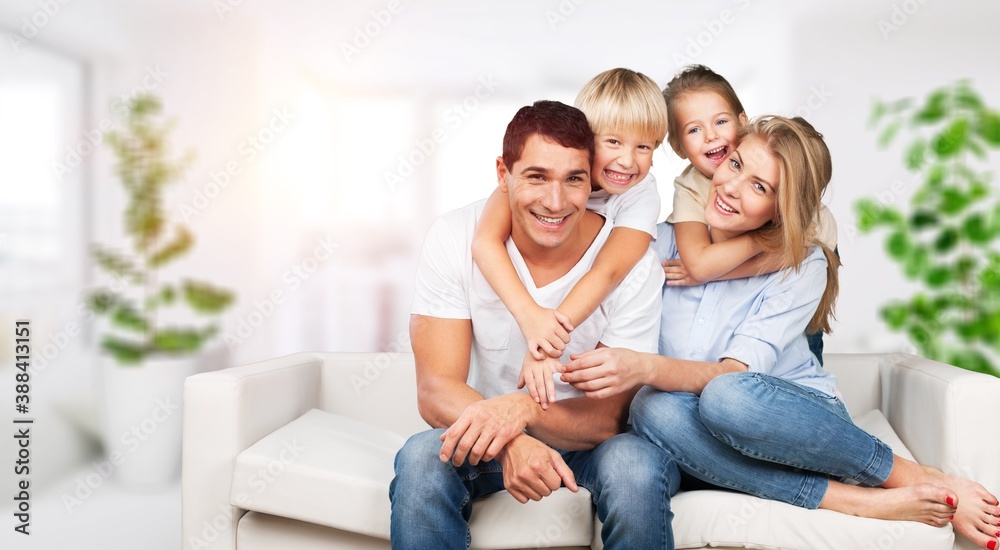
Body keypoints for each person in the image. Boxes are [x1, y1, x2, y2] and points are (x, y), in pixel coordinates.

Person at [560, 115, 1000, 550]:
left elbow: (731, 375)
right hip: (688, 435)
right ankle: (852, 502)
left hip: (789, 425)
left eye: (760, 187)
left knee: (726, 394)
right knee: (650, 410)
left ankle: (913, 476)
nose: (731, 188)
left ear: (782, 206)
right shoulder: (653, 243)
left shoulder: (801, 264)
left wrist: (645, 366)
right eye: (735, 165)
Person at [389, 100, 679, 549]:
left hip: (590, 444)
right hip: (488, 433)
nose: (555, 202)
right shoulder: (455, 235)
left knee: (635, 465)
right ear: (503, 174)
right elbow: (435, 389)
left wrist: (524, 410)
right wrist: (510, 441)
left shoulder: (632, 263)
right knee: (423, 458)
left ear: (593, 179)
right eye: (537, 177)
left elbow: (608, 418)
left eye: (574, 179)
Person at [471, 68, 669, 408]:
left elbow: (607, 271)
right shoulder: (537, 172)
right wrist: (530, 316)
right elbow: (484, 242)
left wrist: (546, 343)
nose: (627, 160)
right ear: (586, 139)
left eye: (644, 147)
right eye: (613, 142)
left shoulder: (641, 195)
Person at [661, 64, 839, 362]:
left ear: (742, 123)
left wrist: (762, 243)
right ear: (679, 148)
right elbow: (700, 264)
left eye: (720, 121)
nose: (710, 136)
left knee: (802, 348)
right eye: (694, 129)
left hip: (795, 287)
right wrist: (764, 240)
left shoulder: (796, 194)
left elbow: (799, 255)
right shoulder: (691, 187)